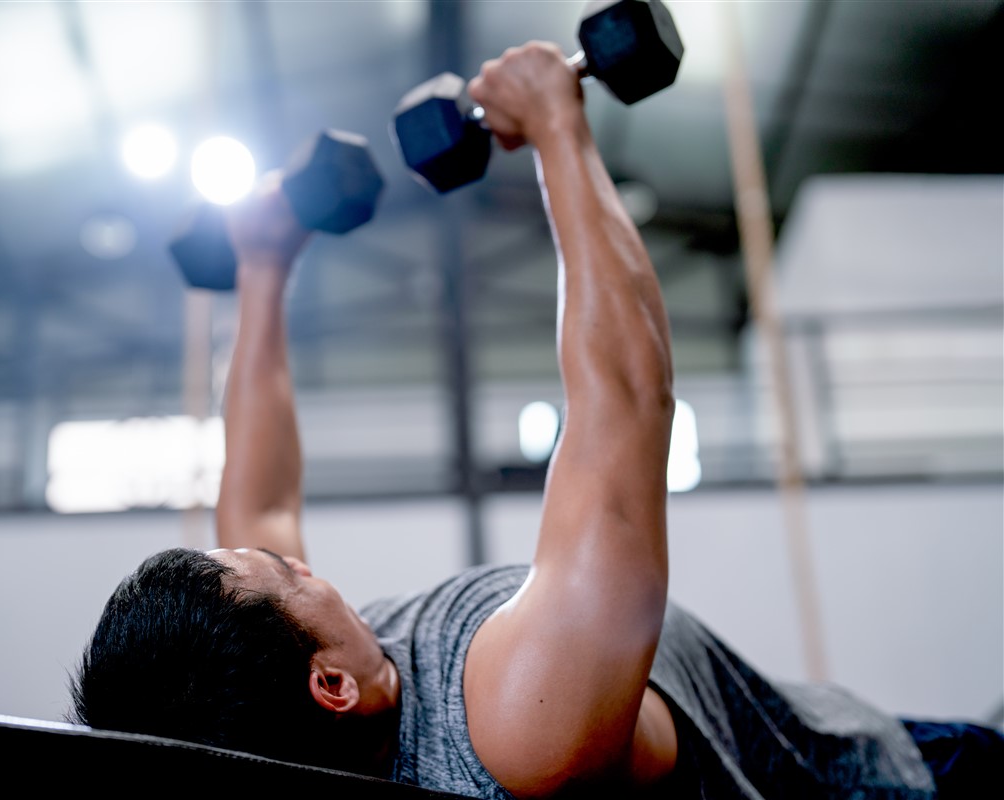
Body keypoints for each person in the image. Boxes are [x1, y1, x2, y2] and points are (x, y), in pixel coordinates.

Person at [70, 44, 1000, 798]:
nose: (300, 562)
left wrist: (264, 270)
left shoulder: (289, 705)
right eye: (285, 575)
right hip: (915, 784)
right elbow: (626, 406)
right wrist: (558, 126)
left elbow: (262, 500)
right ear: (331, 687)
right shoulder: (521, 724)